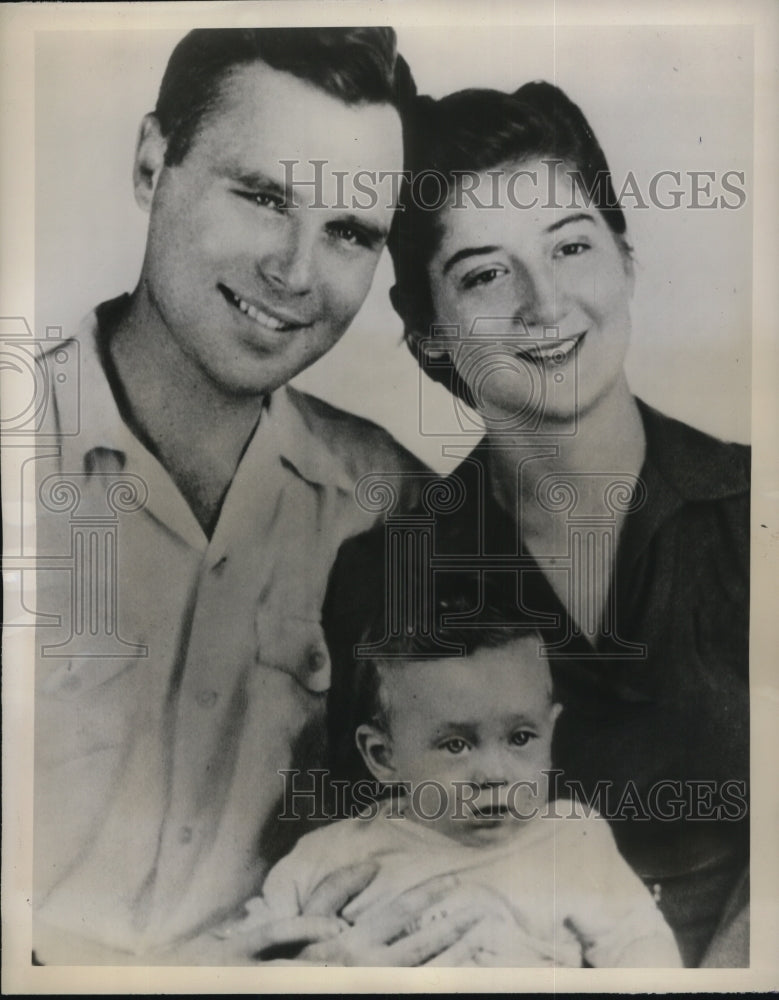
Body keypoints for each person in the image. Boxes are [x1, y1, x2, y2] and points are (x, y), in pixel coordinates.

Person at [31, 27, 472, 966]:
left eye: (349, 232)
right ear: (153, 163)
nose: (296, 272)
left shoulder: (399, 509)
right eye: (265, 197)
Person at [324, 82, 750, 967]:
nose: (545, 304)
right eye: (484, 274)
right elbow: (361, 859)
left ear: (625, 260)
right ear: (428, 335)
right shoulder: (389, 575)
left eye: (571, 247)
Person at [228, 579, 682, 967]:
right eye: (456, 745)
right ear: (383, 757)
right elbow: (252, 957)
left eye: (521, 738)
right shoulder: (334, 856)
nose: (493, 774)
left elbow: (641, 945)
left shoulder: (572, 840)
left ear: (551, 729)